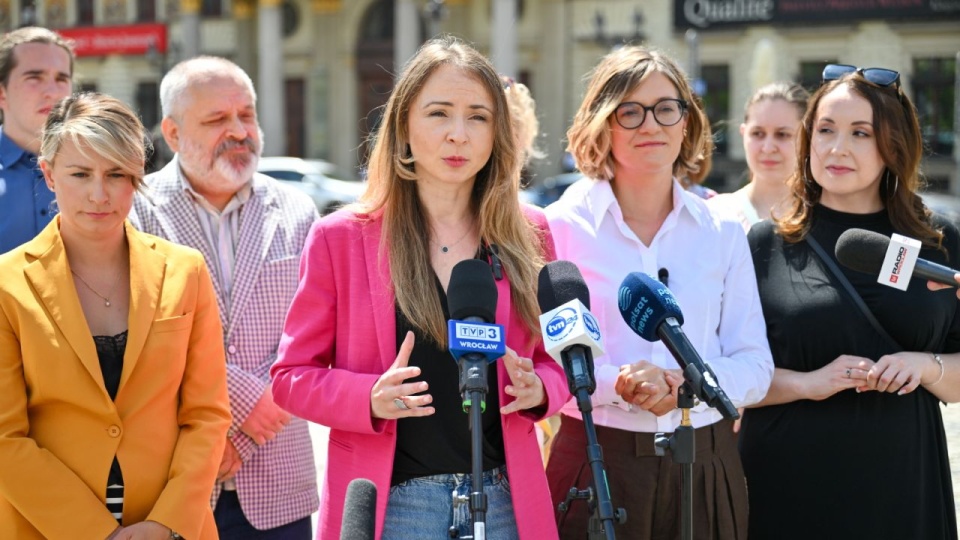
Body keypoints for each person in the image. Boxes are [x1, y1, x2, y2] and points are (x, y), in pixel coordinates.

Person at [270, 36, 569, 540]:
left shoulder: (530, 230)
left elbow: (560, 360)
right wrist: (368, 396)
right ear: (404, 126)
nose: (459, 134)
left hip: (505, 502)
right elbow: (290, 377)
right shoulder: (341, 237)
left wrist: (541, 389)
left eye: (478, 116)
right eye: (439, 114)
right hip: (392, 507)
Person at [543, 45, 774, 540]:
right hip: (594, 458)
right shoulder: (561, 227)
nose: (651, 124)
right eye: (630, 111)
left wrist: (681, 385)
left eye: (666, 108)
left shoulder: (723, 230)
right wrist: (619, 385)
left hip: (704, 465)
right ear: (603, 123)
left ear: (686, 122)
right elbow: (543, 358)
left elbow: (755, 365)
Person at [739, 64, 960, 539]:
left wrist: (924, 366)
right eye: (825, 130)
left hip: (903, 486)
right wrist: (807, 382)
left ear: (892, 145)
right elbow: (730, 375)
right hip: (786, 483)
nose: (837, 148)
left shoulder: (940, 241)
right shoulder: (764, 243)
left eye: (860, 133)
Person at [0, 92, 230, 539]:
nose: (99, 194)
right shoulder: (6, 283)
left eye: (117, 174)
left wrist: (165, 524)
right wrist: (97, 532)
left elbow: (207, 416)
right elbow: (5, 437)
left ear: (137, 176)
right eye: (80, 174)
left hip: (173, 529)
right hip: (45, 527)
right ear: (49, 174)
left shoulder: (185, 270)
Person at [130, 56, 319, 538]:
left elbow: (318, 337)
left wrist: (243, 436)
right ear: (171, 134)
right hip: (174, 486)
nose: (239, 131)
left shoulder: (298, 211)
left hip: (280, 490)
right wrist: (237, 411)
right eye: (217, 119)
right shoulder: (138, 213)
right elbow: (143, 341)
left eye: (247, 115)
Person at [0, 27, 74, 254]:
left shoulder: (102, 170)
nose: (52, 91)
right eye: (34, 77)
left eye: (61, 78)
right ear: (2, 93)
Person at [709, 82, 809, 231]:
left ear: (806, 138)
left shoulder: (822, 216)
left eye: (782, 134)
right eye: (757, 134)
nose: (768, 148)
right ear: (743, 134)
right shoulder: (716, 214)